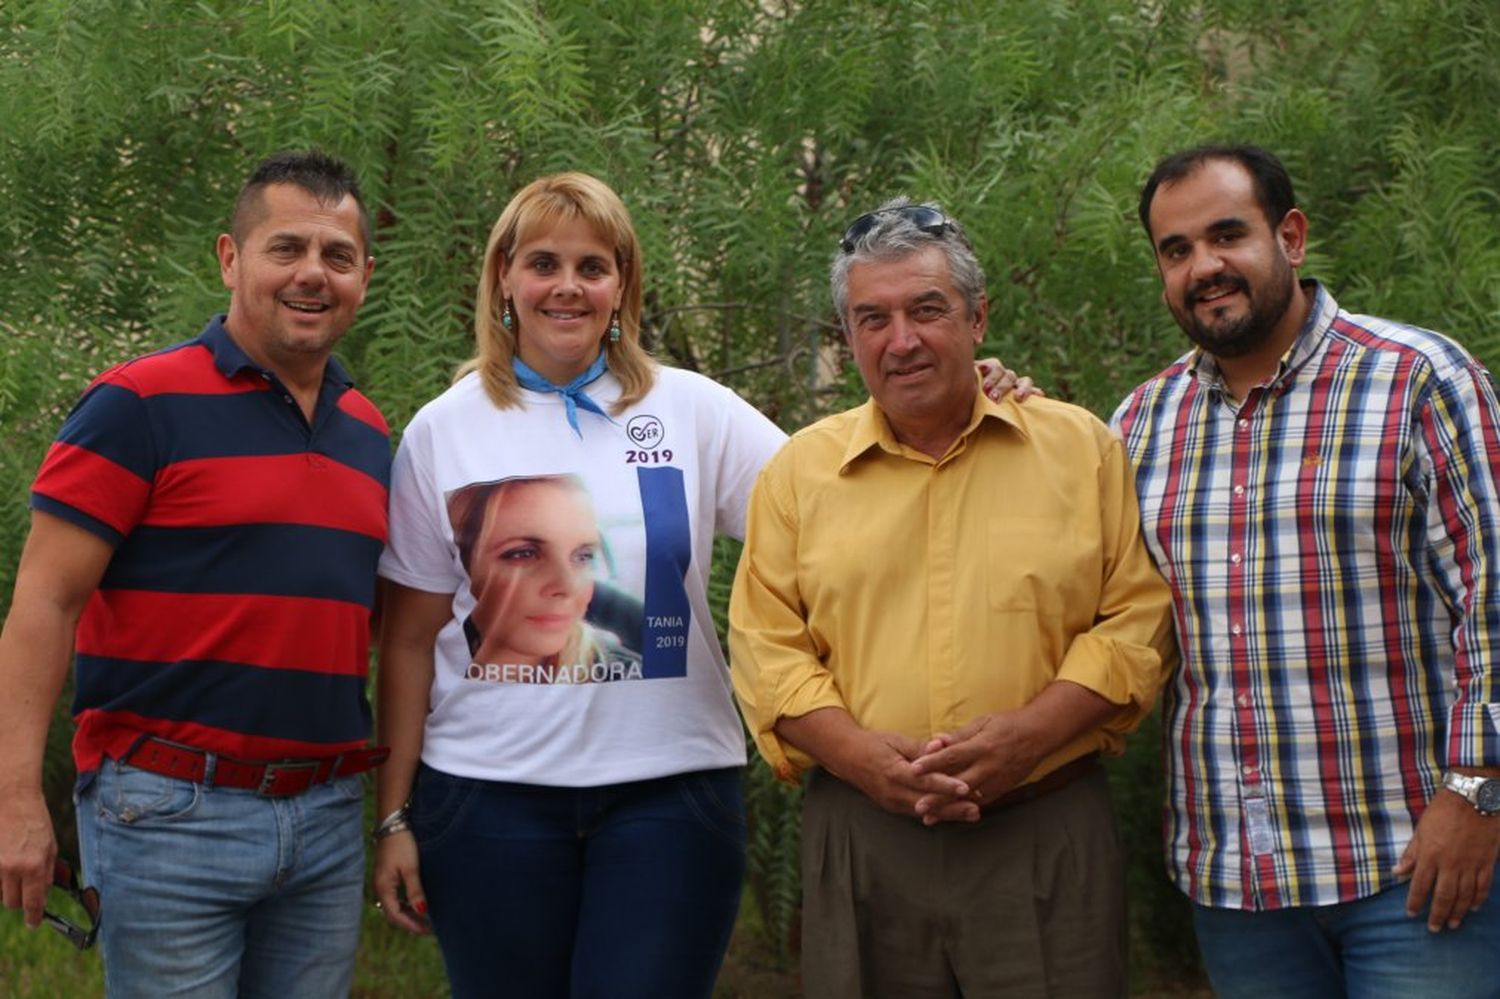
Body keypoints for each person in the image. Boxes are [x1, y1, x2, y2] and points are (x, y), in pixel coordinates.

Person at [727, 199, 1177, 997]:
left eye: (926, 310)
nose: (901, 340)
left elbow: (1136, 620)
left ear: (978, 317)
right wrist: (861, 757)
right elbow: (767, 650)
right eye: (873, 318)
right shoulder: (799, 473)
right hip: (864, 832)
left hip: (1046, 829)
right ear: (848, 336)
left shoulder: (1081, 449)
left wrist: (1028, 738)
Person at [370, 171, 789, 999]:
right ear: (504, 279)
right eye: (544, 262)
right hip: (488, 805)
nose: (568, 286)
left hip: (669, 799)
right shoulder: (441, 431)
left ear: (623, 285)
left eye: (593, 266)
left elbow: (842, 502)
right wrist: (394, 817)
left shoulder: (694, 411)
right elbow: (410, 641)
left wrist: (966, 398)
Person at [1112, 144, 1500, 997]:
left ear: (1290, 235)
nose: (1203, 267)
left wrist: (1477, 793)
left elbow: (1493, 601)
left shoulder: (1417, 381)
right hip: (1237, 887)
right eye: (1176, 251)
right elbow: (1109, 610)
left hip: (1414, 864)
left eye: (1225, 235)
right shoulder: (1142, 422)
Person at [0, 150, 389, 997]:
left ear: (365, 273)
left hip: (324, 820)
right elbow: (43, 602)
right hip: (166, 815)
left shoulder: (369, 432)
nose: (312, 274)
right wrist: (14, 797)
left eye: (337, 255)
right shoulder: (135, 406)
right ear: (230, 257)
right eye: (286, 248)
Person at [448, 473, 640, 681]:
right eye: (523, 554)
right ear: (463, 565)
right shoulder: (423, 663)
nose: (568, 586)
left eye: (583, 556)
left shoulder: (630, 677)